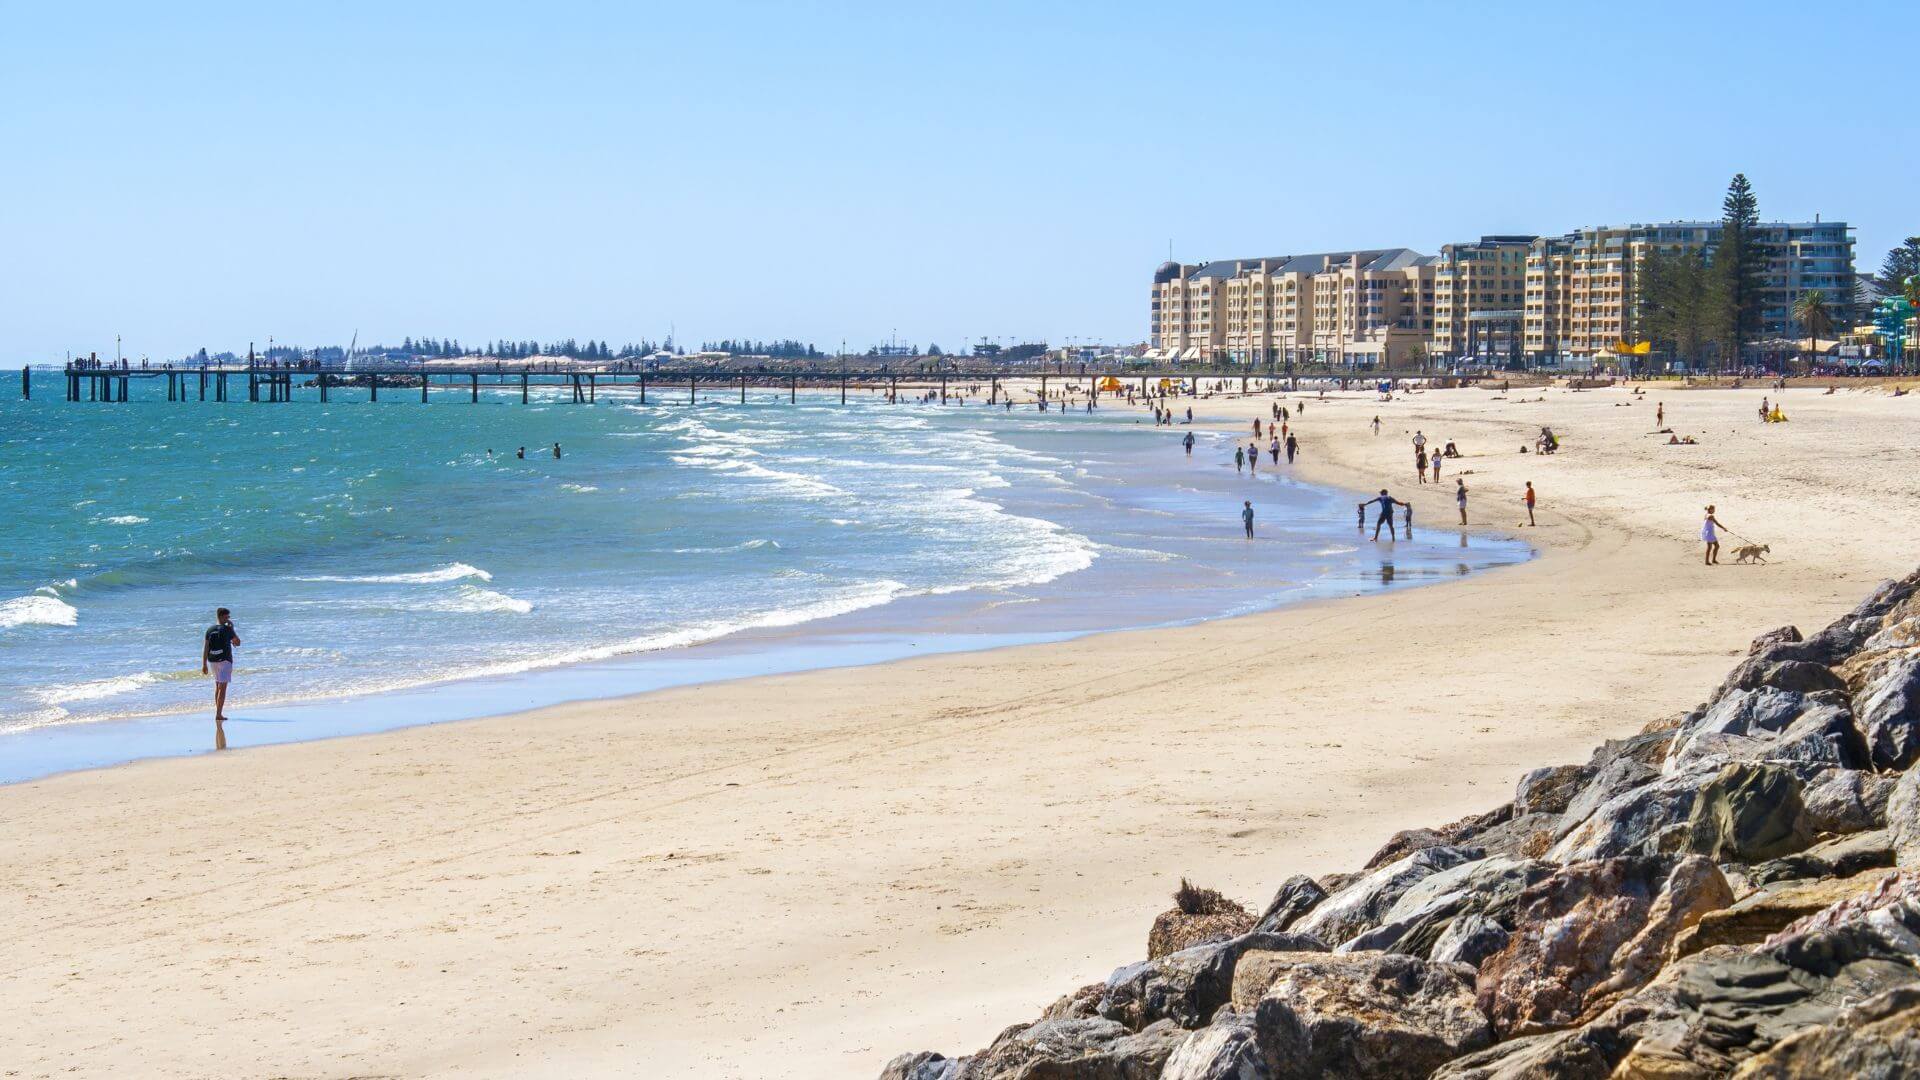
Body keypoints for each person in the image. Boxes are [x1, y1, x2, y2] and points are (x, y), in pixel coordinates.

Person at [202, 607, 241, 749]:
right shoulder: (227, 629)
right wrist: (233, 628)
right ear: (223, 617)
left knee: (218, 685)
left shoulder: (209, 629)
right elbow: (237, 643)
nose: (228, 619)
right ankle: (218, 714)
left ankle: (218, 711)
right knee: (222, 688)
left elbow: (205, 648)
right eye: (227, 617)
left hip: (212, 661)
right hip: (224, 660)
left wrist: (204, 664)